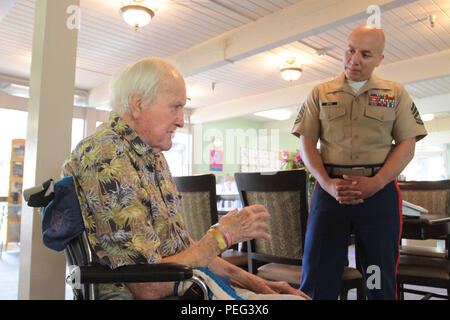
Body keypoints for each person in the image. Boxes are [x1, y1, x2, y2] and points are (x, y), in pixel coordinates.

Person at [63, 57, 309, 300]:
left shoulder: (150, 155)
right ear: (137, 104)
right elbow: (147, 286)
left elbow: (187, 251)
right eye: (175, 107)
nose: (181, 120)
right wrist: (222, 237)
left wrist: (260, 284)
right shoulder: (107, 156)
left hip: (189, 286)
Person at [291, 25, 427, 300]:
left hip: (378, 193)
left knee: (378, 273)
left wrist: (376, 182)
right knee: (318, 271)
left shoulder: (395, 94)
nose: (354, 60)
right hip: (330, 193)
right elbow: (306, 143)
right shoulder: (320, 93)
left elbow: (407, 144)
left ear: (380, 59)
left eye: (365, 54)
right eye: (350, 50)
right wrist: (327, 184)